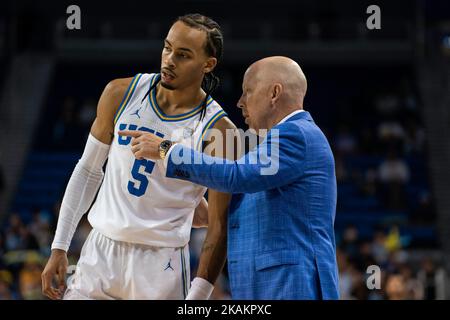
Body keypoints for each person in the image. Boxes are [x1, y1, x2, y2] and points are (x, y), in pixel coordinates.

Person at [41, 14, 236, 300]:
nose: (169, 60)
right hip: (100, 252)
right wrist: (60, 245)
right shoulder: (120, 93)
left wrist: (200, 293)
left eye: (183, 55)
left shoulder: (219, 130)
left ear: (208, 64)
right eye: (167, 48)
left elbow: (219, 226)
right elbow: (88, 171)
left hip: (161, 266)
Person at [119, 56, 339, 299]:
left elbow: (235, 176)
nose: (240, 102)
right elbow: (243, 202)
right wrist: (191, 205)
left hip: (292, 285)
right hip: (265, 286)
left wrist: (166, 150)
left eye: (248, 91)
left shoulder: (296, 134)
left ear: (274, 93)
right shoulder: (274, 145)